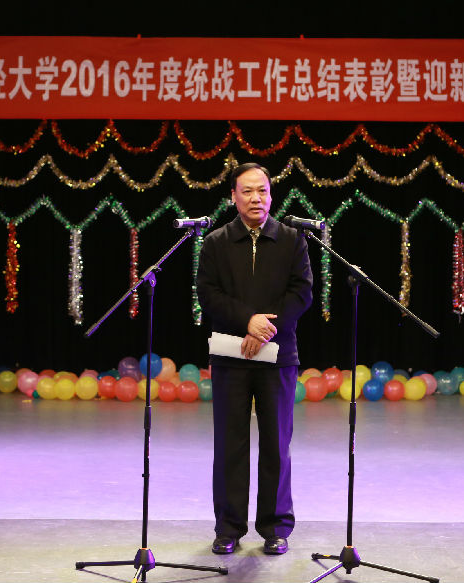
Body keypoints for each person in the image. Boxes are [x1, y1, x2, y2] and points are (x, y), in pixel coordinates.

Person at [196, 162, 313, 556]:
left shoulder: (293, 240)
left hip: (278, 355)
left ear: (271, 195)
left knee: (277, 444)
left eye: (262, 190)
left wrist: (265, 329)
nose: (255, 198)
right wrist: (247, 321)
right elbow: (208, 295)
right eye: (246, 191)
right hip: (231, 356)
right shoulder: (216, 242)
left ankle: (276, 527)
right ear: (233, 197)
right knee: (229, 444)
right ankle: (228, 528)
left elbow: (302, 292)